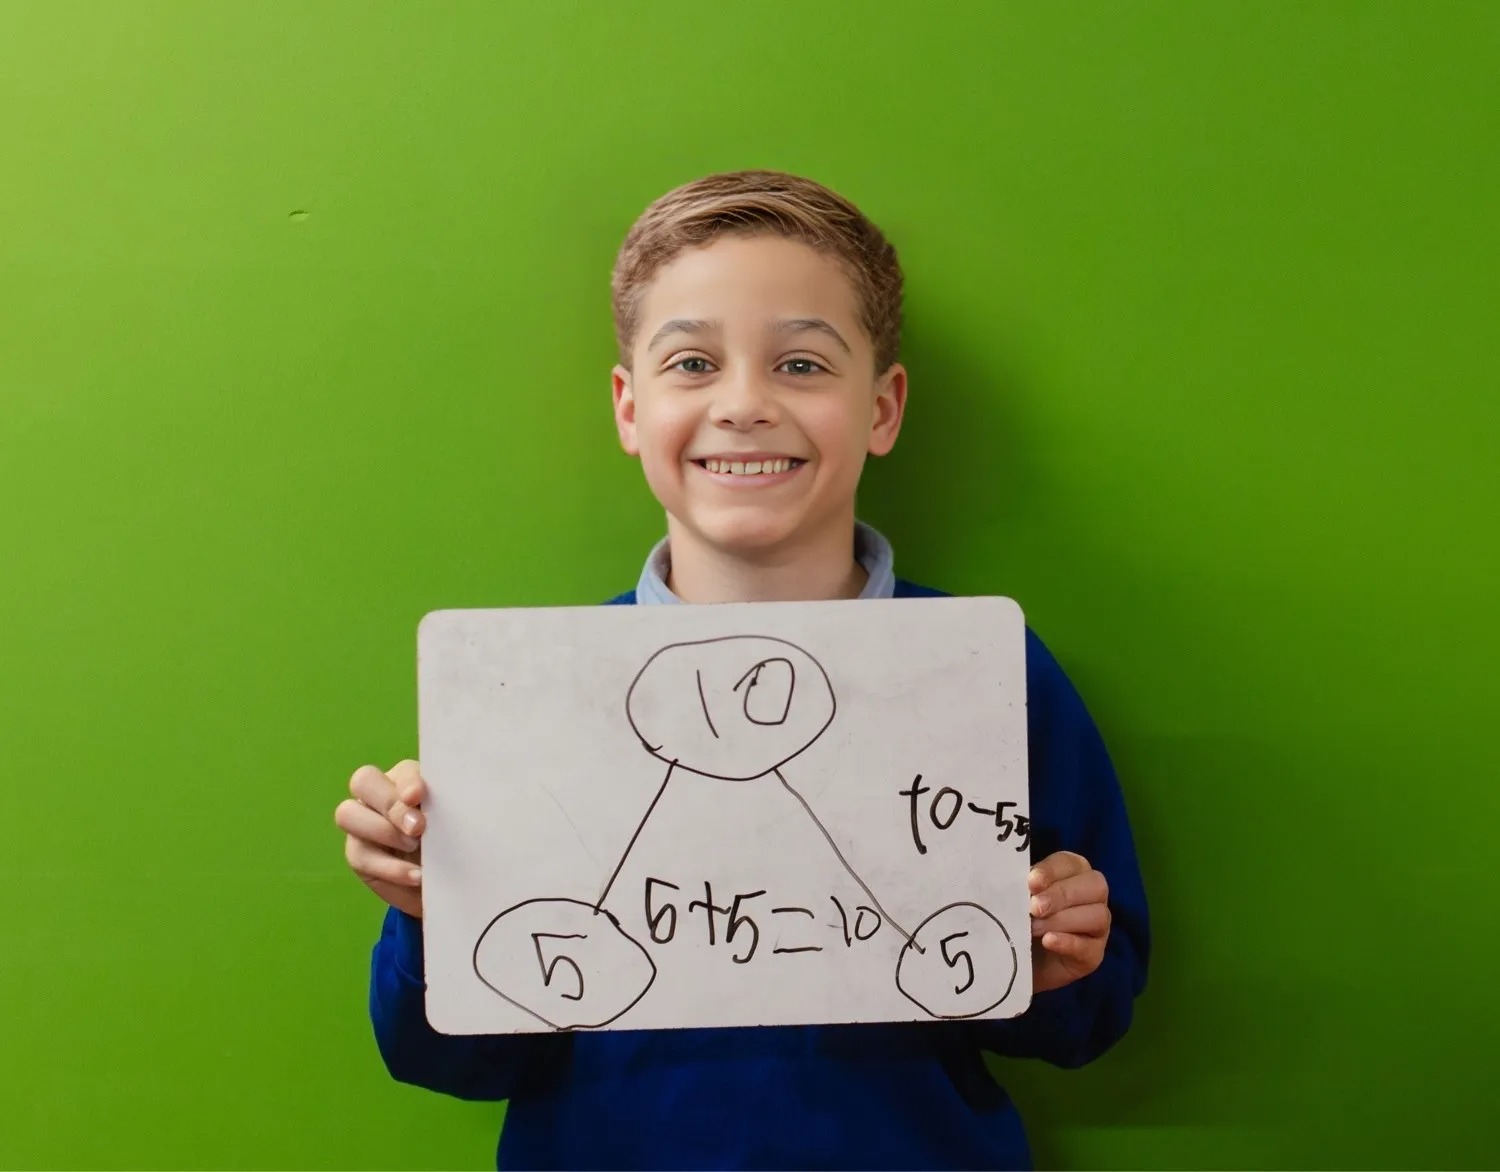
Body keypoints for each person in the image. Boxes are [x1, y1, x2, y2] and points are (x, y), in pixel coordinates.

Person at [335, 170, 1150, 1170]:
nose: (745, 404)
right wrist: (430, 909)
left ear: (883, 408)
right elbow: (443, 1054)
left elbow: (1090, 1014)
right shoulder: (536, 698)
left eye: (802, 362)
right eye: (692, 362)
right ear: (630, 408)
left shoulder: (985, 670)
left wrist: (1061, 954)